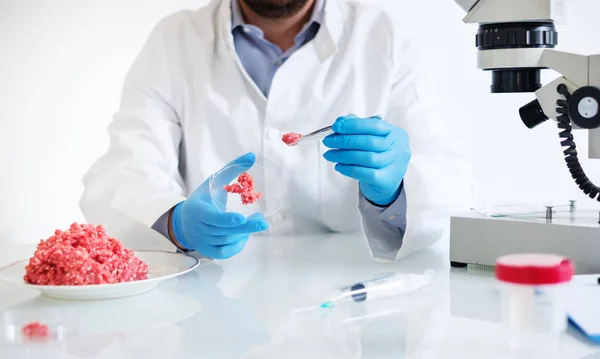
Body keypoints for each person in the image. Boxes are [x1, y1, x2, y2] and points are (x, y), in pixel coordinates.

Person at [80, 0, 473, 262]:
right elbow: (126, 170)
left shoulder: (384, 35)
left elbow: (448, 187)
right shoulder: (174, 41)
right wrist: (175, 223)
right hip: (211, 306)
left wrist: (393, 192)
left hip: (347, 300)